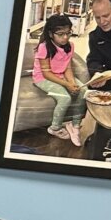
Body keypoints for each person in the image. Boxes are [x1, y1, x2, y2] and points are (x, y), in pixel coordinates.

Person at [32, 13, 87, 146]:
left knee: (83, 91)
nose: (65, 37)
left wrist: (72, 83)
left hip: (61, 75)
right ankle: (54, 128)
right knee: (65, 98)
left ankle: (75, 125)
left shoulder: (70, 45)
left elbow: (67, 68)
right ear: (51, 34)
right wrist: (67, 85)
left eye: (68, 33)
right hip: (43, 78)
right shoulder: (44, 47)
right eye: (60, 34)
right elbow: (46, 73)